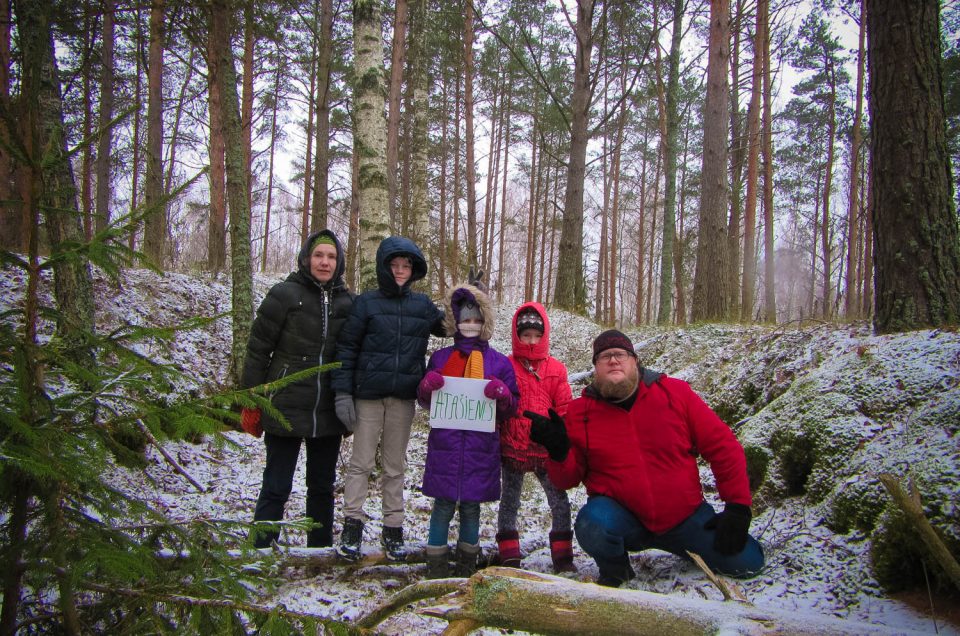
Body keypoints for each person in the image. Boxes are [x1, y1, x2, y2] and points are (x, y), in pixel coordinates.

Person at [528, 329, 765, 587]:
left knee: (749, 562)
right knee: (591, 524)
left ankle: (691, 549)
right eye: (604, 356)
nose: (613, 360)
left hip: (686, 517)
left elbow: (723, 446)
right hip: (624, 520)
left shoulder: (675, 394)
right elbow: (567, 479)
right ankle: (617, 573)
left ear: (635, 361)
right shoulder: (579, 413)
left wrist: (738, 507)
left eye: (621, 354)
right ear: (595, 367)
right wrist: (558, 450)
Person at [331, 236, 445, 561]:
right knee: (361, 464)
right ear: (384, 267)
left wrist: (468, 298)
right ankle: (352, 526)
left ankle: (393, 529)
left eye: (406, 265)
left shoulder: (422, 306)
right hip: (367, 396)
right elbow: (347, 349)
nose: (400, 270)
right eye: (394, 265)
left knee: (395, 467)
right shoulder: (365, 303)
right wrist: (342, 392)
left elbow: (452, 328)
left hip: (403, 399)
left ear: (414, 269)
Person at [240, 229, 354, 549]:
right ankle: (261, 548)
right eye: (319, 255)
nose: (324, 262)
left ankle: (318, 550)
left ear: (339, 263)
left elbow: (358, 352)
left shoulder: (348, 302)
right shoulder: (284, 295)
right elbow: (258, 349)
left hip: (327, 411)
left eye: (331, 257)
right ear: (306, 258)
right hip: (285, 406)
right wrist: (251, 398)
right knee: (276, 485)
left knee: (321, 486)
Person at [416, 283, 519, 578]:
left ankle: (466, 567)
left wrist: (502, 394)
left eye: (476, 319)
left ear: (485, 322)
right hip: (445, 448)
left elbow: (512, 406)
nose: (470, 325)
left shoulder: (498, 362)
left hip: (481, 449)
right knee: (443, 508)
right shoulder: (441, 359)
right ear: (454, 321)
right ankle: (435, 567)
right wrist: (427, 386)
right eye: (465, 319)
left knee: (472, 509)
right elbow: (425, 400)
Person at [496, 303, 575, 573]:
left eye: (535, 335)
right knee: (510, 501)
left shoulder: (556, 369)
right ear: (517, 336)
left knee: (559, 501)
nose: (531, 341)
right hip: (513, 447)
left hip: (545, 449)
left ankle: (563, 555)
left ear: (544, 336)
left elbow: (565, 407)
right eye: (525, 335)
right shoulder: (506, 365)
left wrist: (561, 435)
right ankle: (509, 555)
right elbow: (499, 403)